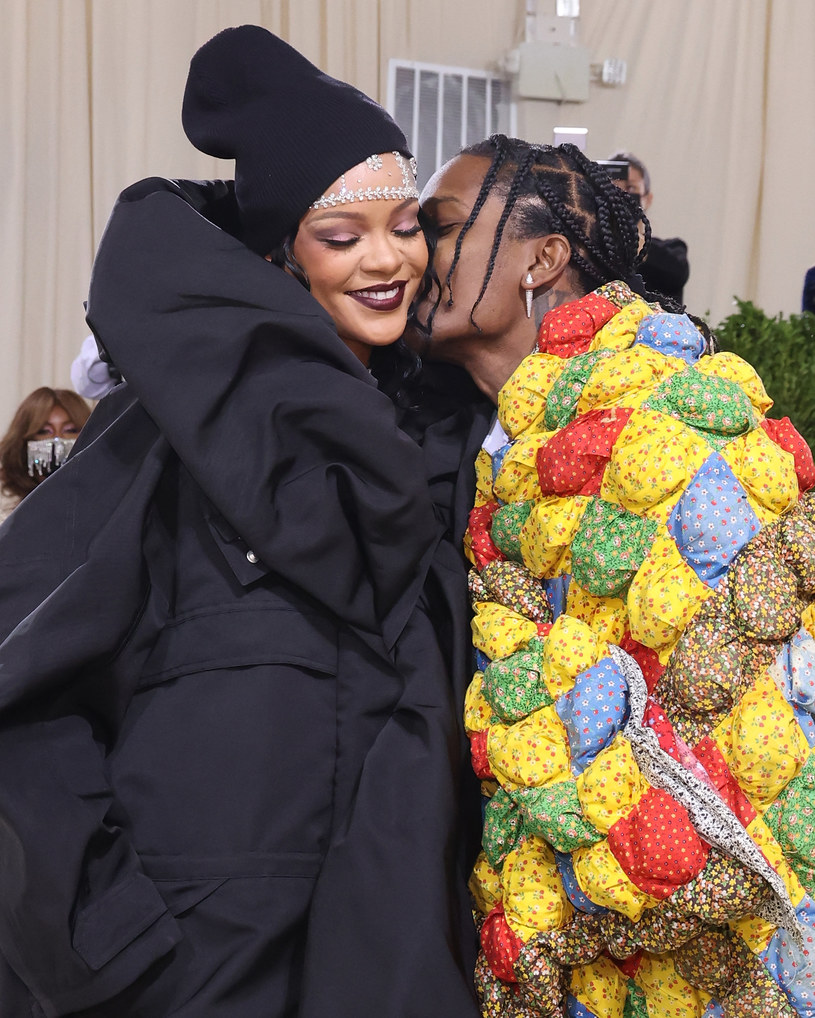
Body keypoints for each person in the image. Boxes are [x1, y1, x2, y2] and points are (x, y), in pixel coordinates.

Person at [0, 27, 481, 1018]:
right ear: (278, 252)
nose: (386, 260)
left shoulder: (439, 445)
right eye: (343, 237)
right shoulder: (158, 442)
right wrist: (108, 942)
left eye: (405, 225)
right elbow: (19, 696)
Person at [411, 135, 815, 1016]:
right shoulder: (485, 455)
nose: (413, 254)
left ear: (541, 259)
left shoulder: (665, 416)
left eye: (439, 228)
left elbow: (743, 724)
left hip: (707, 942)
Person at [607, 149, 689, 305]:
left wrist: (632, 241)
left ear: (647, 198)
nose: (622, 195)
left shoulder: (671, 251)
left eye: (631, 188)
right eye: (613, 188)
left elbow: (677, 272)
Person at [0, 385, 90, 522]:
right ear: (24, 442)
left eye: (70, 430)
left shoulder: (106, 503)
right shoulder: (7, 510)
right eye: (44, 431)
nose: (57, 439)